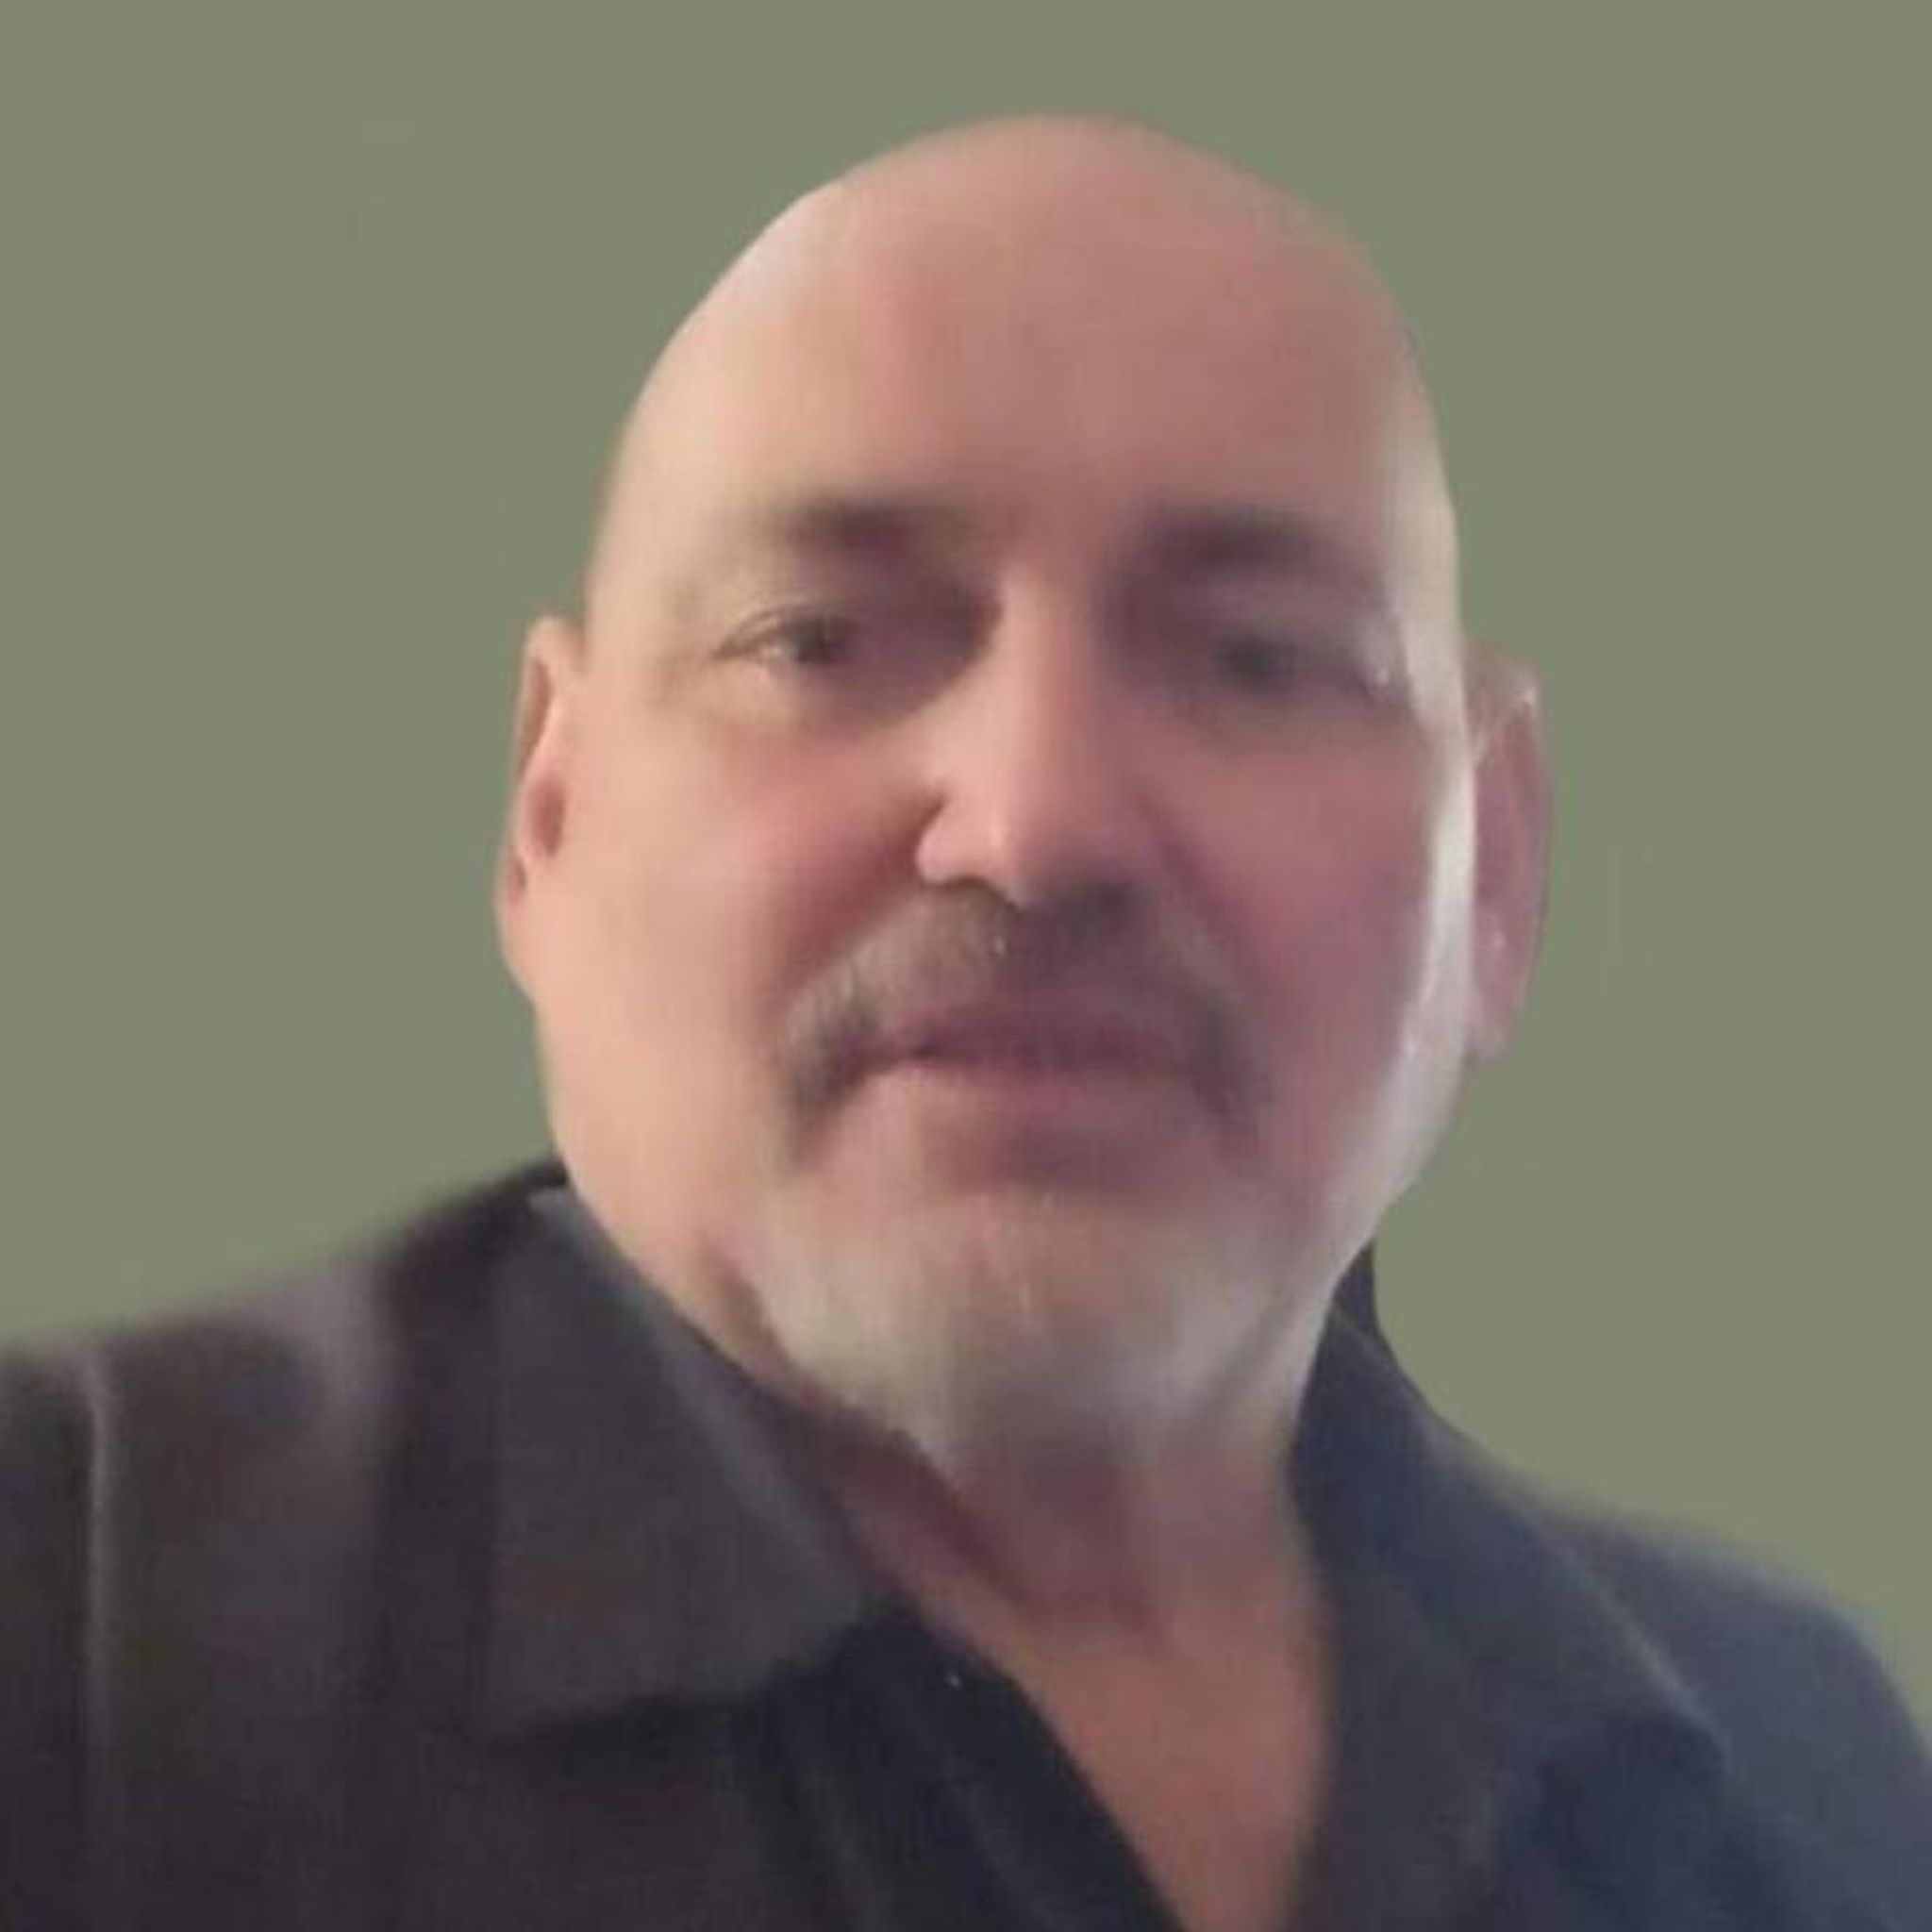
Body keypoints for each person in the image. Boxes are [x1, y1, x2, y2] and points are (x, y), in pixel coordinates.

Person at [2, 114, 1925, 1932]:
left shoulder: (1804, 1768)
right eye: (816, 639)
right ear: (548, 818)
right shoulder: (61, 1631)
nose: (1036, 823)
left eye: (1257, 658)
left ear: (1492, 873)